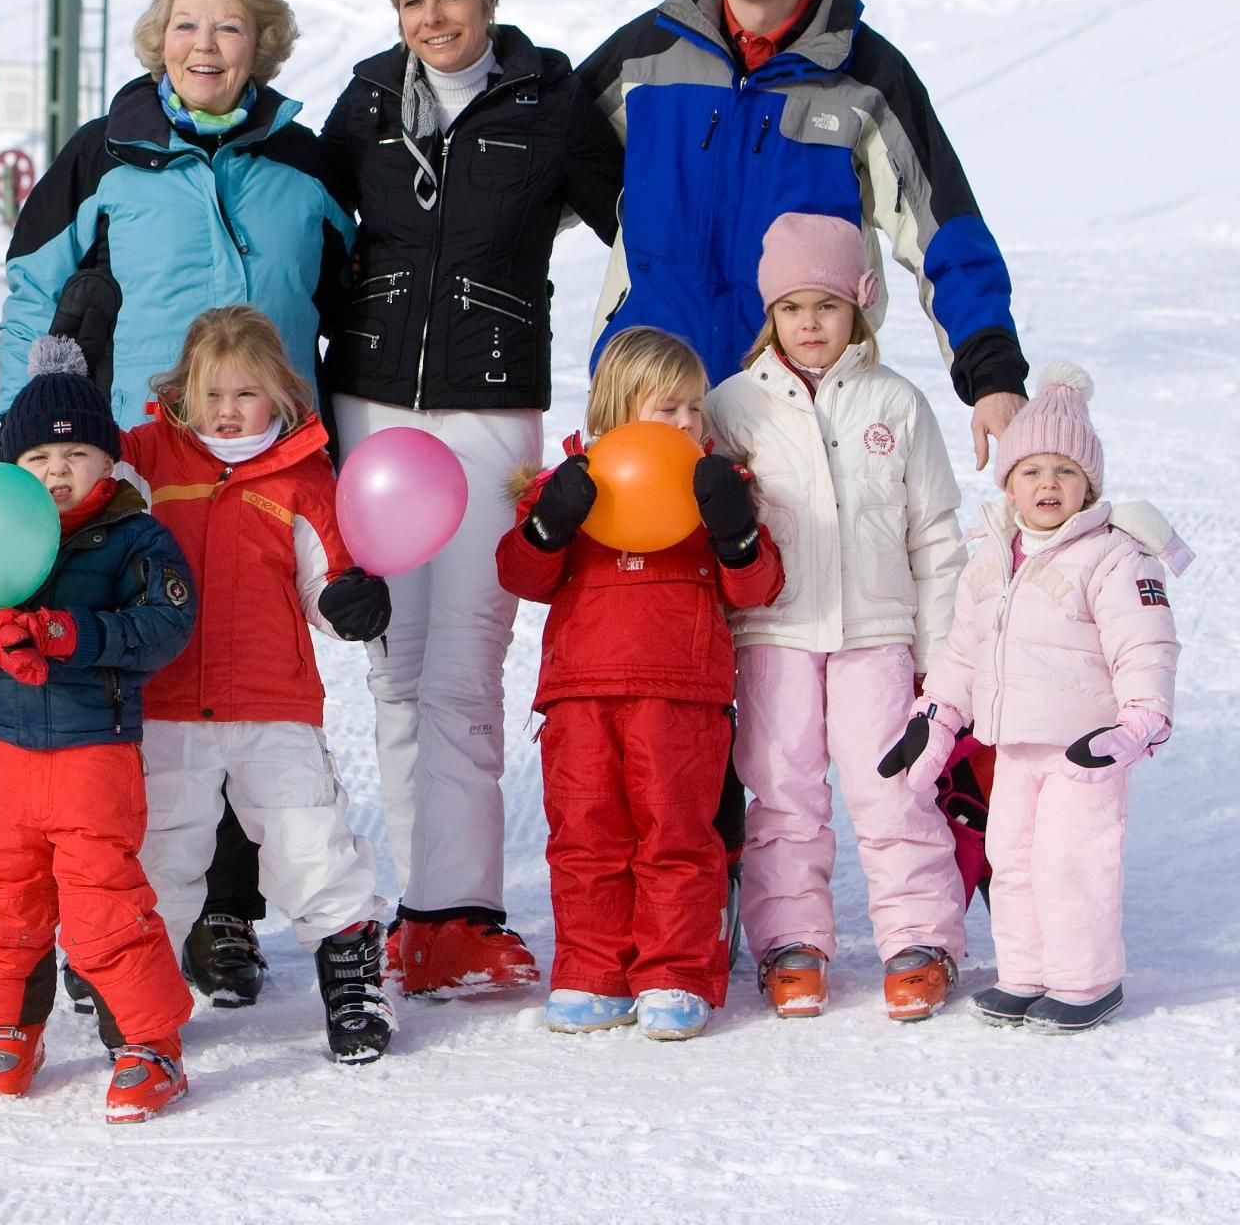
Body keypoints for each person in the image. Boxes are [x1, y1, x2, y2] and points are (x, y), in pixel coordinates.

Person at [0, 0, 354, 1005]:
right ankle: (124, 910)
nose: (206, 46)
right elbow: (33, 291)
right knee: (153, 682)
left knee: (250, 675)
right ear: (158, 40)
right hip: (142, 461)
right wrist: (35, 436)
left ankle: (228, 919)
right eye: (188, 26)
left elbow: (351, 295)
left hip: (269, 453)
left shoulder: (301, 159)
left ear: (262, 44)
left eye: (230, 28)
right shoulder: (104, 156)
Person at [316, 0, 619, 996]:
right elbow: (307, 229)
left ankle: (463, 907)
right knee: (393, 664)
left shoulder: (549, 103)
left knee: (466, 662)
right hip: (368, 405)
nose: (429, 18)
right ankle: (419, 912)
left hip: (490, 402)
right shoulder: (359, 104)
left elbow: (635, 226)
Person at [572, 0, 1029, 472]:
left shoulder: (867, 76)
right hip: (651, 397)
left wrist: (991, 371)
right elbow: (531, 170)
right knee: (633, 572)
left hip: (797, 408)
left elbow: (942, 227)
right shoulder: (645, 57)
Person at [706, 213, 969, 1021]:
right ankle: (791, 943)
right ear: (770, 314)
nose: (810, 323)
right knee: (782, 789)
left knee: (894, 784)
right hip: (775, 635)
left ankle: (921, 938)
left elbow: (935, 535)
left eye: (826, 304)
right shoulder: (732, 406)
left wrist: (945, 657)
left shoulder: (897, 401)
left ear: (859, 305)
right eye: (791, 307)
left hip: (876, 635)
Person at [116, 306, 395, 1064]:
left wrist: (347, 603)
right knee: (162, 850)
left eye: (245, 393)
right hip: (168, 700)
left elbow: (324, 580)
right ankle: (140, 991)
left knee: (311, 840)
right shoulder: (146, 458)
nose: (227, 411)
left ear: (278, 392)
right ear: (183, 392)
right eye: (211, 394)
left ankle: (351, 976)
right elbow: (76, 494)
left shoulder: (305, 474)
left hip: (274, 701)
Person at [0, 339, 198, 1121]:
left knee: (104, 907)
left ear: (108, 462)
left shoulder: (133, 538)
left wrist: (69, 635)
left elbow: (166, 624)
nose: (57, 470)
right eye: (40, 455)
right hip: (6, 762)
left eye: (76, 452)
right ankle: (10, 1026)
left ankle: (151, 1045)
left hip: (93, 756)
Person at [881, 365, 1186, 1033]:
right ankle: (1026, 972)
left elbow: (1145, 644)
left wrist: (1139, 721)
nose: (1047, 484)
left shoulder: (1114, 556)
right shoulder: (991, 557)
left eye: (1064, 471)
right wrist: (935, 716)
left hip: (1085, 750)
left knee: (1071, 861)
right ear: (1008, 481)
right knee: (1011, 857)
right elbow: (963, 653)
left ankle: (1086, 980)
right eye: (1031, 470)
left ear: (1089, 485)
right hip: (1013, 745)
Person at [497, 328, 783, 1041]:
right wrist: (548, 521)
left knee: (676, 835)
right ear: (620, 411)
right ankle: (592, 972)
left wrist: (735, 530)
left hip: (679, 693)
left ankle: (675, 971)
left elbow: (757, 585)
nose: (689, 423)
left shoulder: (714, 486)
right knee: (585, 836)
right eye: (669, 409)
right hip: (581, 694)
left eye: (695, 408)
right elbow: (521, 574)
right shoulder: (572, 485)